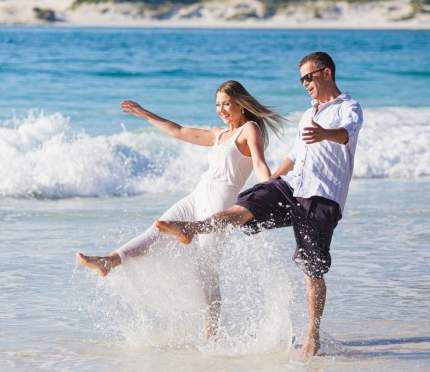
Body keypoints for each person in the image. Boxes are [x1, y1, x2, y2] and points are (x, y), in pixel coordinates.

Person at [155, 52, 363, 356]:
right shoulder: (309, 114)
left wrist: (323, 134)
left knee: (312, 270)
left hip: (321, 196)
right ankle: (193, 227)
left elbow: (346, 135)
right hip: (293, 186)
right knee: (246, 205)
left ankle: (312, 333)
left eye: (309, 76)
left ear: (327, 73)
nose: (305, 83)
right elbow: (294, 157)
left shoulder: (348, 108)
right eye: (302, 78)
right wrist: (271, 181)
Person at [77, 80, 287, 339]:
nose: (222, 109)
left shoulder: (249, 129)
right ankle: (109, 261)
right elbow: (178, 130)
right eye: (218, 104)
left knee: (206, 268)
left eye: (227, 104)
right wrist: (145, 114)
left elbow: (259, 164)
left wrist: (270, 188)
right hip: (197, 194)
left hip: (221, 200)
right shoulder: (219, 134)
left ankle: (212, 334)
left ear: (240, 104)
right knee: (157, 230)